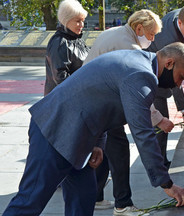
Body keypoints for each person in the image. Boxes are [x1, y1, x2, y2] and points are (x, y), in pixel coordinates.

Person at [3, 42, 184, 216]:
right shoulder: (142, 75)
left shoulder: (138, 61)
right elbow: (143, 132)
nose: (179, 84)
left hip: (79, 138)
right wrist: (166, 183)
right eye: (181, 77)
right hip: (54, 131)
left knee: (83, 202)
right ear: (169, 63)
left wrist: (97, 144)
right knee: (29, 202)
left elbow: (99, 102)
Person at [85, 9, 174, 214]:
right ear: (139, 28)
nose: (151, 41)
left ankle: (97, 197)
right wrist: (159, 120)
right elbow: (139, 98)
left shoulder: (114, 32)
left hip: (94, 97)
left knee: (103, 147)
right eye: (151, 35)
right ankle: (123, 204)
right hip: (102, 100)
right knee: (119, 149)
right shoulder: (130, 47)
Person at [43, 1, 106, 215]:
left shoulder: (77, 42)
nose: (82, 24)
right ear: (65, 20)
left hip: (79, 109)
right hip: (65, 109)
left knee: (80, 172)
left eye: (83, 20)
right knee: (69, 170)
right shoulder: (59, 43)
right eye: (77, 20)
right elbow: (61, 79)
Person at [146, 3, 184, 168]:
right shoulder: (169, 41)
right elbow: (176, 80)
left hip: (164, 71)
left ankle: (160, 160)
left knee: (161, 123)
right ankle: (157, 164)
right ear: (180, 23)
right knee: (161, 122)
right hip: (153, 78)